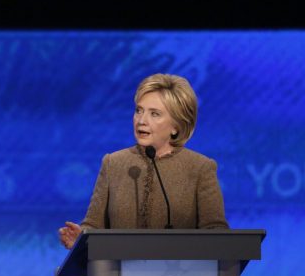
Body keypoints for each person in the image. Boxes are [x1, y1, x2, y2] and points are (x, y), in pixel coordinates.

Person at [59, 73, 228, 249]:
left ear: (176, 126)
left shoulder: (200, 168)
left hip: (181, 274)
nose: (141, 120)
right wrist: (80, 239)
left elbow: (216, 232)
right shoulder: (113, 163)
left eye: (154, 114)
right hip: (119, 273)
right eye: (139, 110)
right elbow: (93, 226)